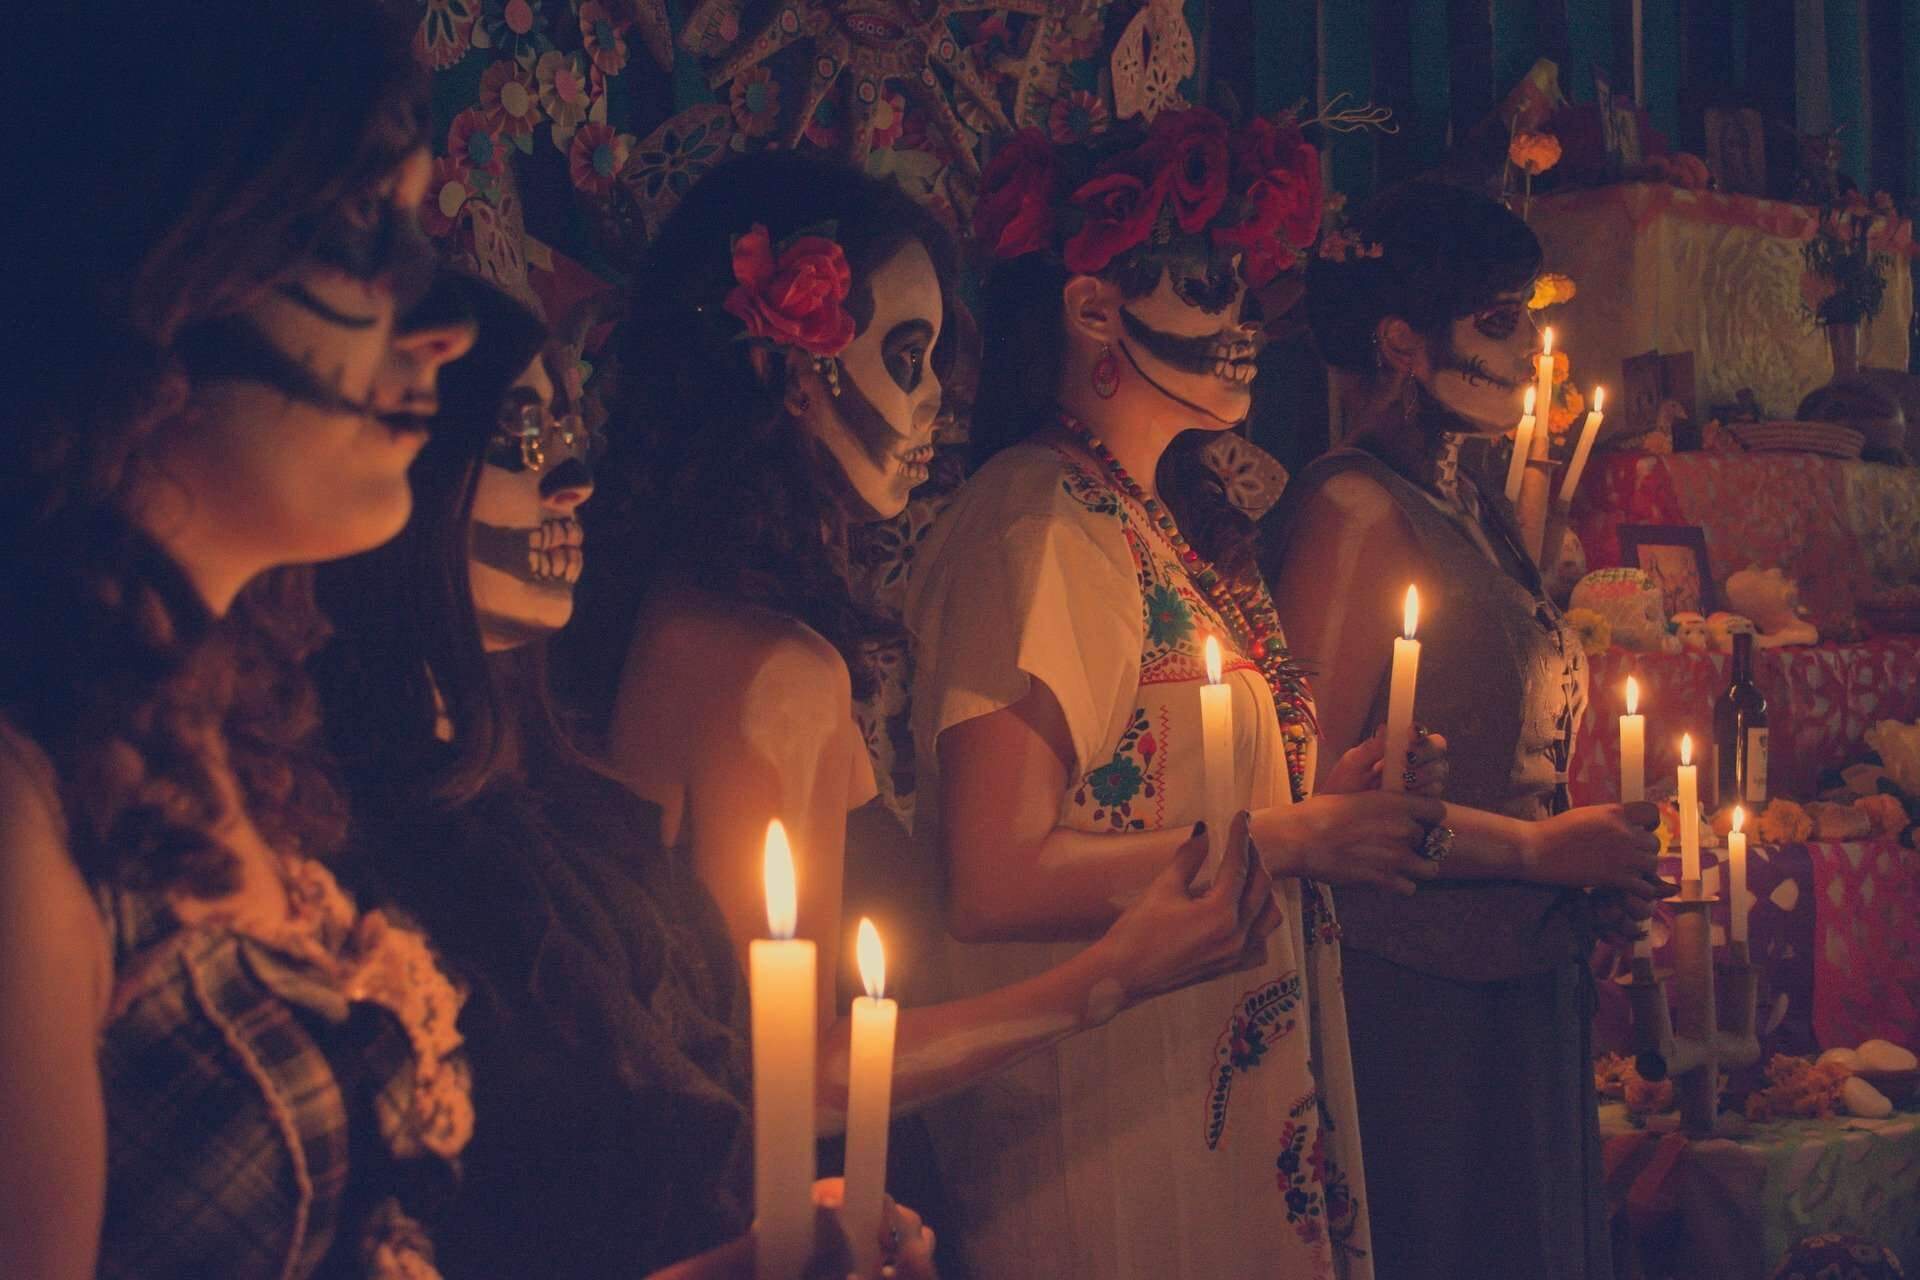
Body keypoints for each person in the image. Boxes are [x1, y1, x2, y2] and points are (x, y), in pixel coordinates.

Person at [909, 116, 1666, 1280]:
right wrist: (1296, 830)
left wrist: (1331, 798)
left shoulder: (1153, 522)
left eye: (1250, 287)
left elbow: (1179, 784)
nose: (1249, 324)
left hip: (1211, 1076)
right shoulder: (1036, 525)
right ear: (1094, 311)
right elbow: (991, 871)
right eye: (1211, 285)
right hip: (1109, 1107)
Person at [571, 148, 1278, 1205]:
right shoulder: (770, 668)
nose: (939, 400)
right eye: (908, 355)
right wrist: (1111, 975)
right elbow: (790, 1070)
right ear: (788, 368)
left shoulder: (691, 615)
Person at [312, 275, 937, 1279]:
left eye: (570, 434)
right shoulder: (365, 850)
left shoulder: (566, 810)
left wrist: (795, 1219)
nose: (570, 482)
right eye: (519, 435)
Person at [2, 3, 476, 1275]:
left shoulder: (193, 712)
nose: (443, 324)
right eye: (359, 230)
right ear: (155, 260)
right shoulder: (22, 801)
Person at [1265, 180, 1668, 1279]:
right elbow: (1314, 807)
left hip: (1520, 980)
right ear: (1401, 338)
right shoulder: (1352, 510)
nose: (1530, 345)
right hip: (1413, 995)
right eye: (1498, 320)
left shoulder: (1473, 504)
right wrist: (1539, 849)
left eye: (1528, 317)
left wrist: (1587, 861)